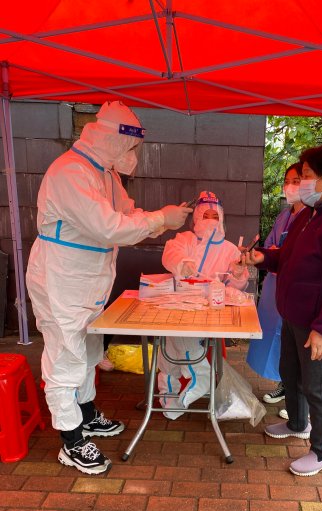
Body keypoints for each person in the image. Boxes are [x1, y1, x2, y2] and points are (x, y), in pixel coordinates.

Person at [26, 100, 192, 475]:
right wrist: (159, 219)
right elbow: (109, 227)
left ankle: (85, 414)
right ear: (112, 140)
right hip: (62, 277)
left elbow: (127, 215)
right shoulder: (69, 172)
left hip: (89, 279)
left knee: (88, 350)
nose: (134, 154)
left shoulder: (104, 173)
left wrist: (163, 220)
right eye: (131, 146)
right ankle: (71, 439)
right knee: (65, 355)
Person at [245, 145, 322, 476]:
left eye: (307, 176)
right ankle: (297, 423)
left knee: (318, 387)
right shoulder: (309, 216)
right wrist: (264, 257)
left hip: (318, 324)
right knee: (291, 375)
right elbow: (287, 256)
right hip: (294, 317)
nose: (301, 183)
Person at [158, 191, 249, 419]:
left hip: (211, 311)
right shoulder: (185, 240)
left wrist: (238, 273)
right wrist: (182, 263)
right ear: (196, 217)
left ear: (221, 218)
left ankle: (198, 377)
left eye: (214, 216)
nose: (210, 220)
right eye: (205, 215)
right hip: (180, 304)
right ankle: (168, 395)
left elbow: (236, 287)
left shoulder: (230, 249)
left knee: (180, 339)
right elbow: (171, 253)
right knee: (168, 348)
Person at [246, 163, 305, 415]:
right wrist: (258, 255)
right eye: (287, 181)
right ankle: (284, 384)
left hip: (296, 289)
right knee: (276, 336)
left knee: (295, 343)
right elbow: (270, 246)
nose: (290, 186)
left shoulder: (312, 218)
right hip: (274, 287)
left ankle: (299, 402)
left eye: (297, 181)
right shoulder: (283, 216)